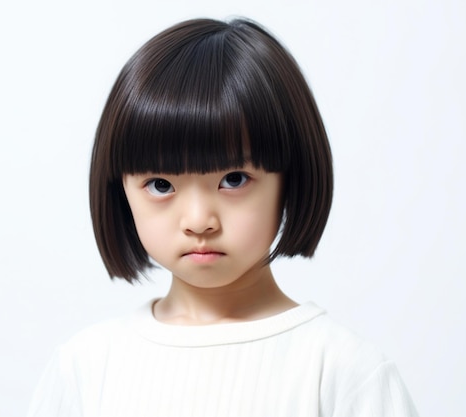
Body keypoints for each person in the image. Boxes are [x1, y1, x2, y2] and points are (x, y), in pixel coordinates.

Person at [27, 18, 419, 417]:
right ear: (120, 190)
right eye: (161, 185)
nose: (199, 221)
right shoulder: (85, 369)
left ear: (290, 179)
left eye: (234, 180)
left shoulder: (343, 372)